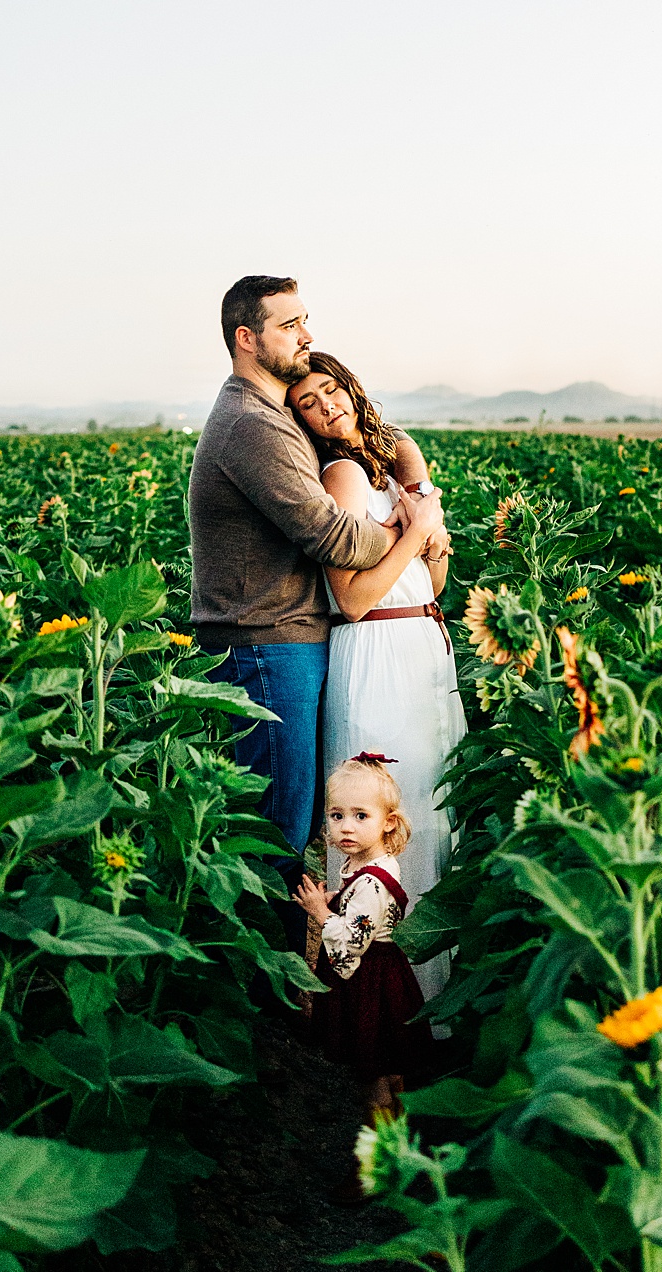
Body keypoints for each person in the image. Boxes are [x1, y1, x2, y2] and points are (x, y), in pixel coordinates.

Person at [187, 276, 444, 941]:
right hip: (265, 643)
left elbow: (385, 458)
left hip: (285, 640)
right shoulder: (251, 424)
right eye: (290, 324)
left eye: (307, 321)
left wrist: (411, 487)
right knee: (276, 824)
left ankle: (282, 969)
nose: (307, 335)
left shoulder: (270, 416)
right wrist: (410, 529)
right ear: (247, 339)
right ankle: (260, 984)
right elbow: (333, 536)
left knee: (292, 817)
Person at [288, 351, 467, 1000]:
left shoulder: (390, 468)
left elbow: (433, 582)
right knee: (385, 814)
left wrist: (427, 534)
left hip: (422, 637)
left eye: (331, 389)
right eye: (309, 401)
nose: (327, 405)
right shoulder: (339, 476)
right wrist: (414, 530)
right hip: (376, 644)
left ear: (351, 388)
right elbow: (355, 597)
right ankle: (379, 1009)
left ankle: (430, 996)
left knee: (429, 808)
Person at [293, 753, 435, 1201]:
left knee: (373, 1075)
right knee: (389, 1070)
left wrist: (320, 911)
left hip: (370, 983)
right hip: (382, 979)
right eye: (337, 816)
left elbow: (352, 945)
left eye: (360, 816)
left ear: (389, 823)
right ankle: (399, 1151)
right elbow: (364, 913)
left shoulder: (373, 880)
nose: (345, 828)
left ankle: (375, 1167)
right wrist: (338, 899)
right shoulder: (366, 869)